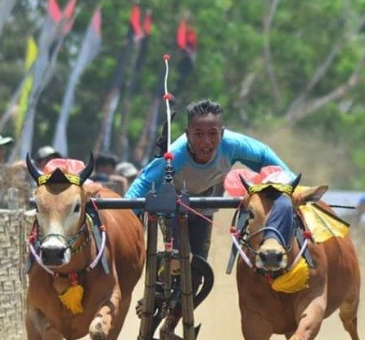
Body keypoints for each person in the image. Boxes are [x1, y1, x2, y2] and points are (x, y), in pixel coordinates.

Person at [126, 98, 296, 260]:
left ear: (221, 134)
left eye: (213, 134)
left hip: (206, 200)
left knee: (199, 262)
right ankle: (166, 274)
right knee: (177, 255)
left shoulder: (231, 144)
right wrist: (124, 217)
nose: (206, 142)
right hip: (174, 201)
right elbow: (145, 182)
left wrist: (291, 186)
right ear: (187, 134)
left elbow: (264, 157)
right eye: (198, 134)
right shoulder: (176, 155)